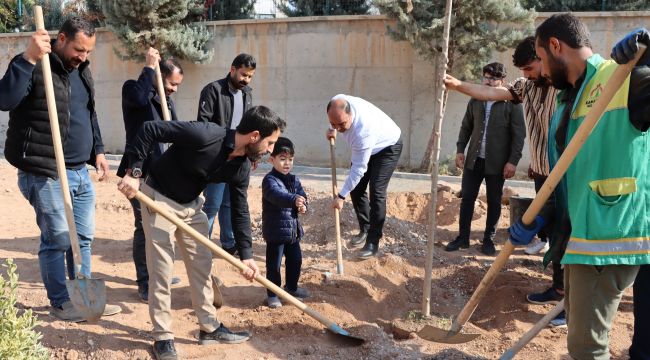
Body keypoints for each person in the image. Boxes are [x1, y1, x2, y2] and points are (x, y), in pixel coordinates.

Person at [509, 15, 650, 360]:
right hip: (579, 237)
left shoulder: (621, 78)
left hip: (609, 237)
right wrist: (545, 215)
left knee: (587, 348)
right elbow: (571, 172)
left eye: (540, 59)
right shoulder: (566, 100)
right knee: (580, 337)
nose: (541, 70)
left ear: (556, 46)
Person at [117, 106, 284, 360]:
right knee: (161, 271)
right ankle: (162, 336)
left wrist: (247, 256)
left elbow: (240, 209)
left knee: (202, 266)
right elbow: (149, 129)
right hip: (158, 199)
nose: (271, 149)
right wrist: (134, 172)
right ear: (254, 136)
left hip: (192, 206)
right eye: (270, 143)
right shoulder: (206, 134)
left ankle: (209, 327)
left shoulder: (240, 167)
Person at [0, 17, 120, 322]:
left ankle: (84, 295)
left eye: (89, 51)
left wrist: (99, 151)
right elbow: (5, 99)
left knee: (82, 238)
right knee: (57, 239)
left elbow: (88, 113)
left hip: (80, 170)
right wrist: (28, 58)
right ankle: (61, 301)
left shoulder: (82, 71)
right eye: (79, 49)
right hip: (46, 171)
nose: (84, 56)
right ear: (62, 39)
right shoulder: (32, 63)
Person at [444, 38, 565, 326]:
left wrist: (512, 159)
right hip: (541, 172)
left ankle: (569, 300)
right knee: (554, 234)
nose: (526, 73)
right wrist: (458, 84)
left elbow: (519, 134)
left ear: (546, 58)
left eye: (530, 67)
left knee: (564, 234)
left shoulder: (566, 87)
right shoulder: (524, 88)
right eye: (522, 69)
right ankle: (558, 287)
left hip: (564, 173)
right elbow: (485, 95)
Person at [117, 47, 184, 302]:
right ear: (157, 75)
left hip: (162, 173)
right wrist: (149, 67)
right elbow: (140, 99)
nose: (174, 89)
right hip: (137, 172)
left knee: (162, 227)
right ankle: (145, 282)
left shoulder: (167, 102)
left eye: (178, 85)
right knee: (144, 227)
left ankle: (160, 274)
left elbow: (175, 131)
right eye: (171, 83)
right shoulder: (133, 90)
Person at [444, 62, 526, 256]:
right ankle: (463, 238)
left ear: (502, 81)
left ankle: (488, 240)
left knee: (494, 201)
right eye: (486, 77)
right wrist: (460, 150)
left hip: (497, 164)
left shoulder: (512, 104)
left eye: (493, 79)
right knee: (467, 199)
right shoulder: (475, 100)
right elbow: (466, 127)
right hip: (474, 160)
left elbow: (519, 135)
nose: (488, 82)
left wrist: (513, 161)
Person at [326, 94, 402, 259]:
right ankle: (365, 228)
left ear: (351, 114)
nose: (339, 128)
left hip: (388, 146)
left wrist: (341, 196)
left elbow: (358, 170)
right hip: (370, 145)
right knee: (357, 189)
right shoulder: (337, 102)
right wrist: (332, 129)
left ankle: (373, 242)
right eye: (334, 123)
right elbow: (335, 117)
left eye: (342, 124)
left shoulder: (362, 132)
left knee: (377, 191)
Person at [197, 53, 255, 255]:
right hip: (217, 158)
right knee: (212, 203)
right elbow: (203, 125)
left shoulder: (247, 93)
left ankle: (229, 243)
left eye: (249, 76)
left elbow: (249, 126)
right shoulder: (213, 90)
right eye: (243, 74)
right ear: (232, 69)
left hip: (239, 158)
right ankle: (203, 245)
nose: (245, 80)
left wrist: (251, 154)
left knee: (230, 203)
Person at [262, 137, 309, 308]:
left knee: (295, 260)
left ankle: (291, 288)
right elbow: (277, 196)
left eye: (290, 159)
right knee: (274, 265)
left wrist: (303, 205)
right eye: (282, 159)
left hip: (292, 232)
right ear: (271, 159)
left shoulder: (294, 180)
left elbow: (302, 196)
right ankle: (273, 294)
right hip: (275, 231)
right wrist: (294, 199)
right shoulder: (269, 180)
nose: (287, 163)